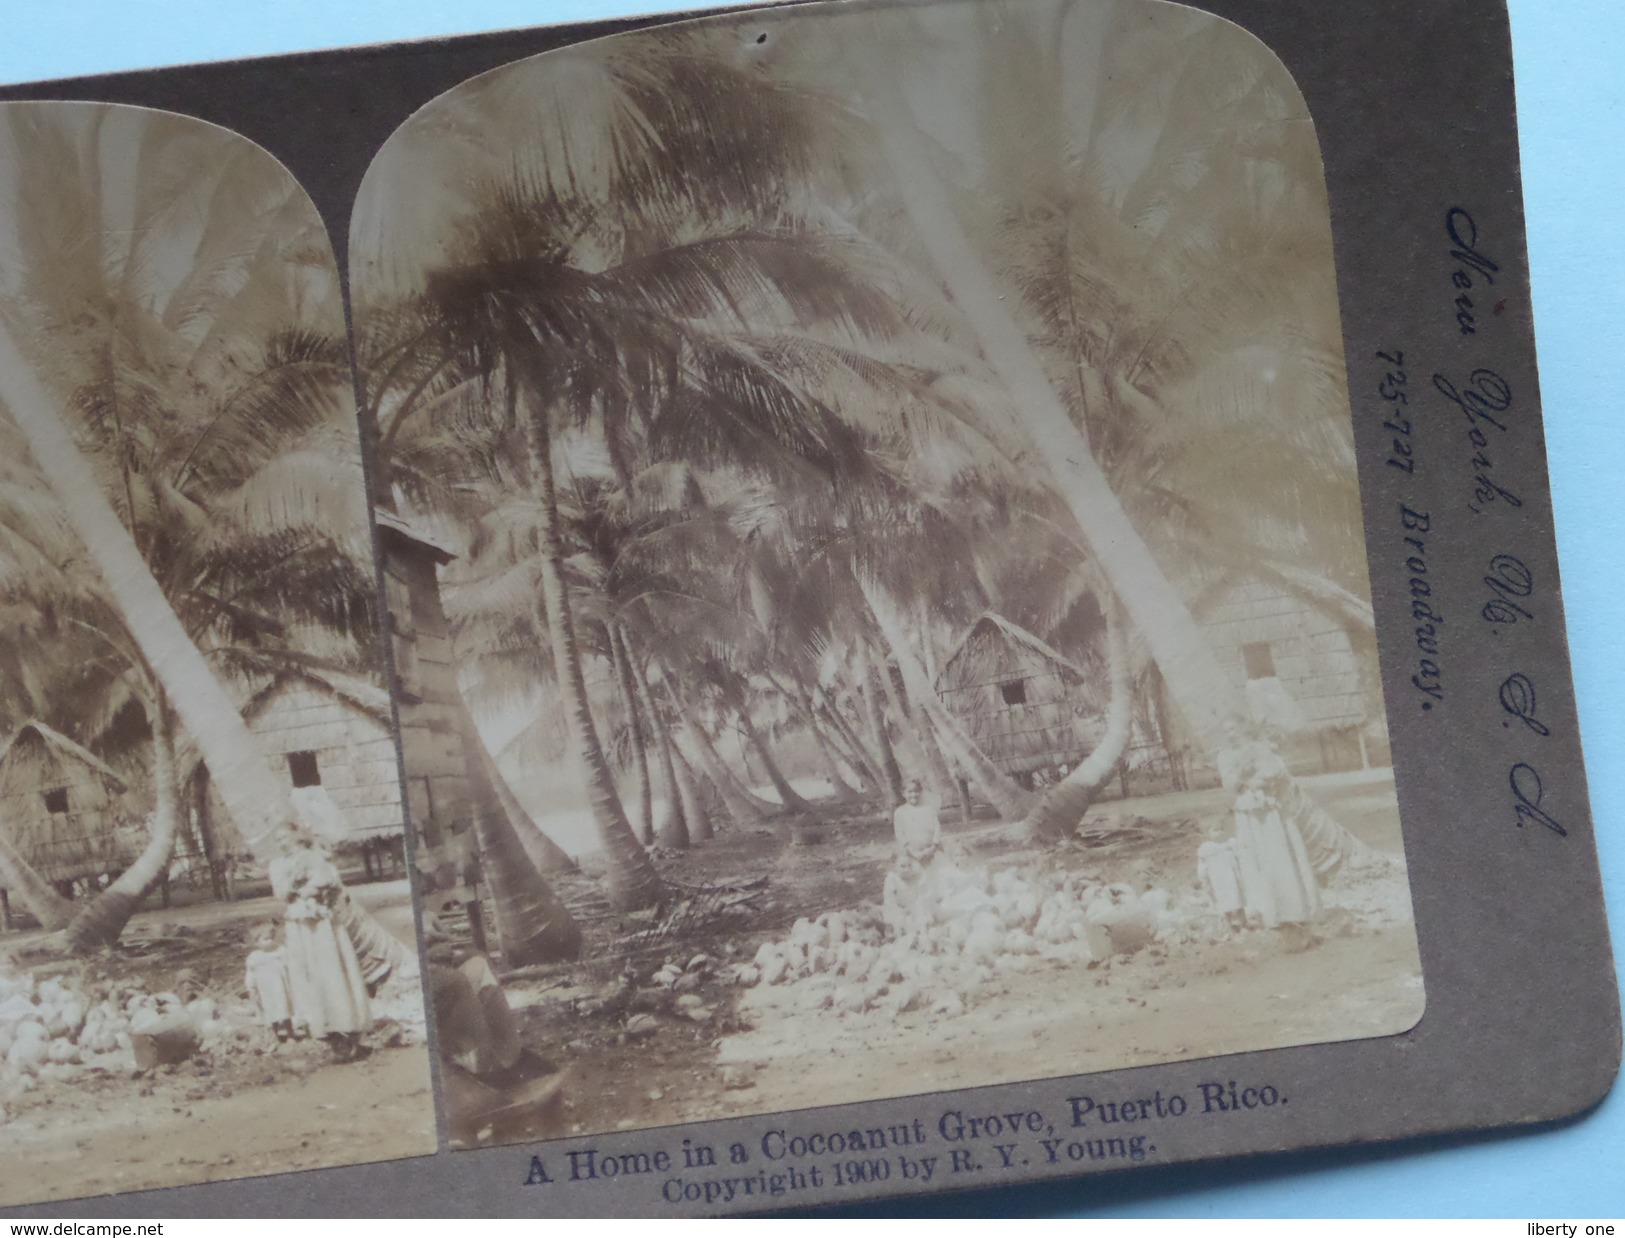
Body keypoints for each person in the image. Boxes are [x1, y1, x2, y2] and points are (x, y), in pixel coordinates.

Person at [268, 820, 373, 1060]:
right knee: (309, 972)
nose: (282, 844)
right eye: (278, 840)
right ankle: (325, 1028)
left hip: (321, 921)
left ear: (296, 836)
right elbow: (281, 892)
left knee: (332, 969)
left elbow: (326, 881)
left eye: (285, 838)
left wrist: (309, 887)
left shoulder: (315, 857)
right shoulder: (278, 865)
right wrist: (295, 885)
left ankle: (347, 1026)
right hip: (299, 922)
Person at [244, 921, 295, 1042]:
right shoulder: (255, 958)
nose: (270, 941)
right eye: (265, 939)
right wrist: (250, 987)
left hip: (282, 988)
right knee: (271, 1011)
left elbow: (290, 965)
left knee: (285, 1009)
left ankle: (290, 1032)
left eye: (272, 938)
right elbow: (251, 974)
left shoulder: (279, 951)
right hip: (267, 990)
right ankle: (277, 1033)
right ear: (256, 942)